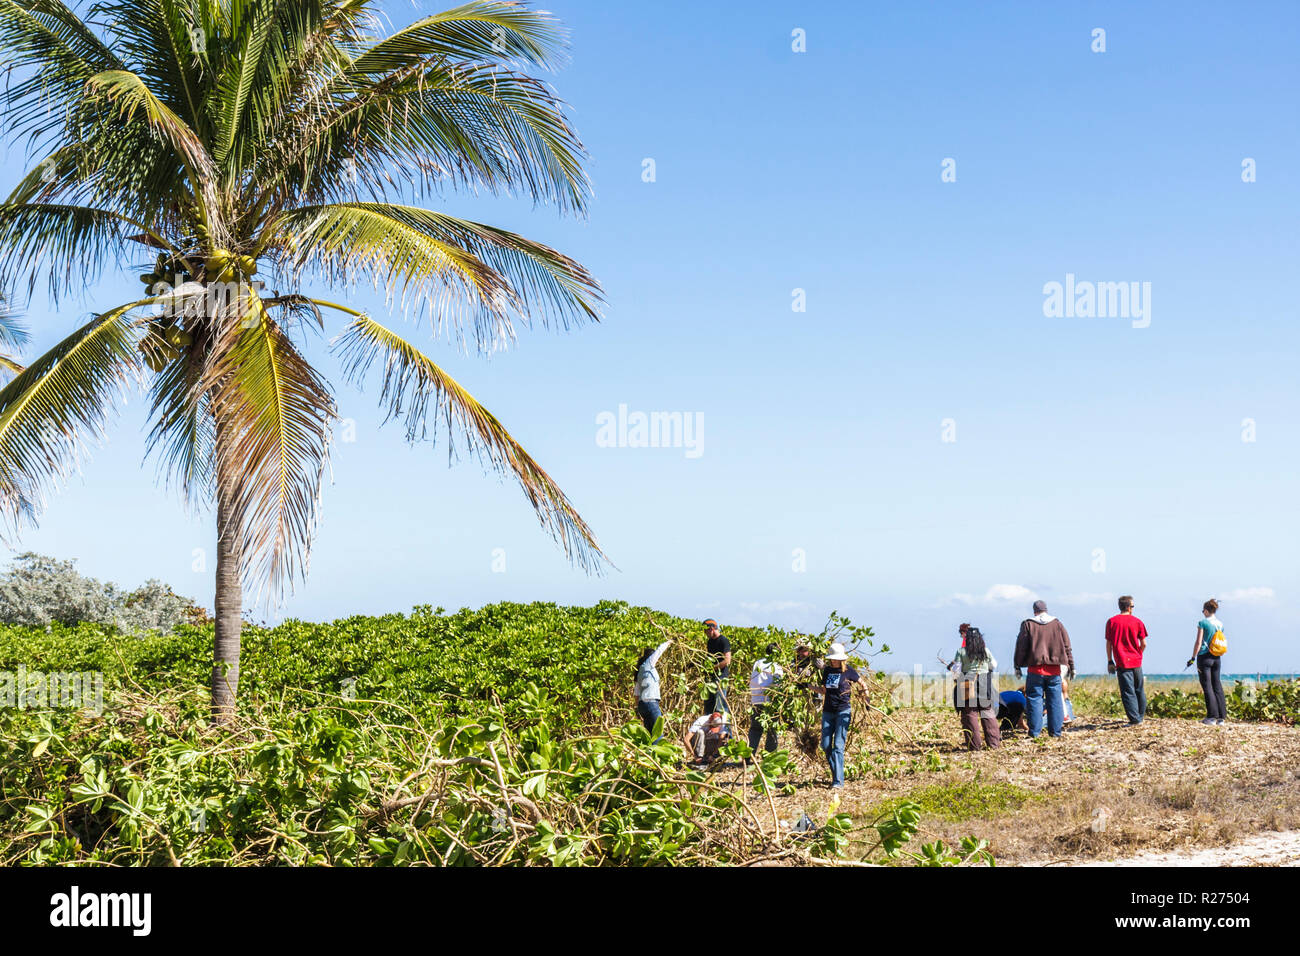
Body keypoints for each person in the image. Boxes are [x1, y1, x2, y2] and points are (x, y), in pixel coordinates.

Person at [1013, 600, 1075, 739]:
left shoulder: (1028, 624)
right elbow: (1067, 646)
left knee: (1034, 700)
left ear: (1034, 611)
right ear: (1046, 610)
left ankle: (1034, 733)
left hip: (1035, 670)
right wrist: (1071, 666)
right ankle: (1055, 732)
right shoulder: (1057, 624)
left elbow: (1021, 647)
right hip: (1054, 671)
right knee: (1055, 701)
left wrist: (1017, 665)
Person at [814, 642, 867, 788]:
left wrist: (866, 695)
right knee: (825, 745)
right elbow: (824, 691)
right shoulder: (827, 670)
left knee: (838, 746)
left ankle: (838, 781)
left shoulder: (849, 671)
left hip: (843, 711)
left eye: (835, 658)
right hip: (828, 711)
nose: (833, 661)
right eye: (832, 658)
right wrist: (808, 686)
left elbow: (862, 683)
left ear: (842, 659)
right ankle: (836, 773)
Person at [948, 626, 1000, 750]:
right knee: (987, 713)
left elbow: (956, 672)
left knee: (969, 715)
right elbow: (993, 665)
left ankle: (974, 746)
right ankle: (993, 744)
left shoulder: (961, 651)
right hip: (984, 683)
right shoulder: (986, 651)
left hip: (967, 684)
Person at [1105, 595, 1149, 725]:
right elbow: (1144, 643)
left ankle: (1135, 719)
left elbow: (1109, 643)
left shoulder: (1112, 622)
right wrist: (1138, 654)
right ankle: (1139, 717)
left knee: (1127, 691)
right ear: (1129, 607)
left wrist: (1109, 660)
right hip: (1136, 660)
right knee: (1139, 689)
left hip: (1122, 660)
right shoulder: (1137, 621)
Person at [1188, 598, 1227, 726]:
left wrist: (1193, 657)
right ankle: (1221, 718)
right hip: (1217, 657)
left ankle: (1211, 717)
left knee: (1207, 686)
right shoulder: (1220, 624)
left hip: (1205, 657)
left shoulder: (1203, 623)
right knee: (1217, 685)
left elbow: (1198, 642)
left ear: (1206, 610)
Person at [748, 643, 784, 755]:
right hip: (769, 702)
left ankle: (749, 756)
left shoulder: (757, 663)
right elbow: (778, 685)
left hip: (755, 700)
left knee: (755, 729)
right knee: (772, 730)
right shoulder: (777, 667)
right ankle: (770, 758)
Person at [634, 637, 672, 735]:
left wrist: (637, 707)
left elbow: (636, 693)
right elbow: (658, 652)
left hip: (643, 704)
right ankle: (657, 749)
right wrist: (668, 643)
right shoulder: (648, 664)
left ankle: (649, 750)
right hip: (651, 702)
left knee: (649, 733)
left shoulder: (640, 671)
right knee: (657, 732)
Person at [703, 619, 731, 714]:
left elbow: (727, 660)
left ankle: (724, 728)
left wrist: (713, 668)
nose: (705, 633)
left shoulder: (724, 640)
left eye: (705, 630)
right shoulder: (710, 642)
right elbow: (708, 658)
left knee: (720, 706)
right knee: (709, 706)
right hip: (710, 678)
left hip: (721, 677)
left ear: (711, 629)